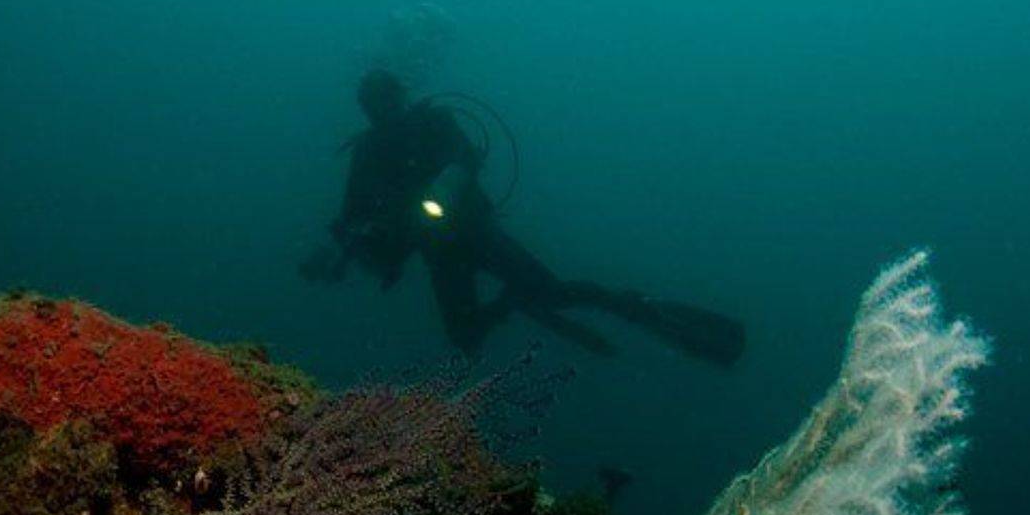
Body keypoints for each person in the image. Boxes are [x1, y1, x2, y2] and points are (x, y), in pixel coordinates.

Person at [300, 68, 745, 364]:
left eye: (385, 97)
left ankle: (630, 305)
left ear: (399, 95)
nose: (381, 107)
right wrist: (337, 251)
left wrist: (441, 192)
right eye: (372, 102)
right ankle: (516, 299)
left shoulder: (433, 123)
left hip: (475, 233)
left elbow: (464, 157)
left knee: (554, 293)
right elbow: (350, 215)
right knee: (464, 337)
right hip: (438, 253)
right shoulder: (368, 152)